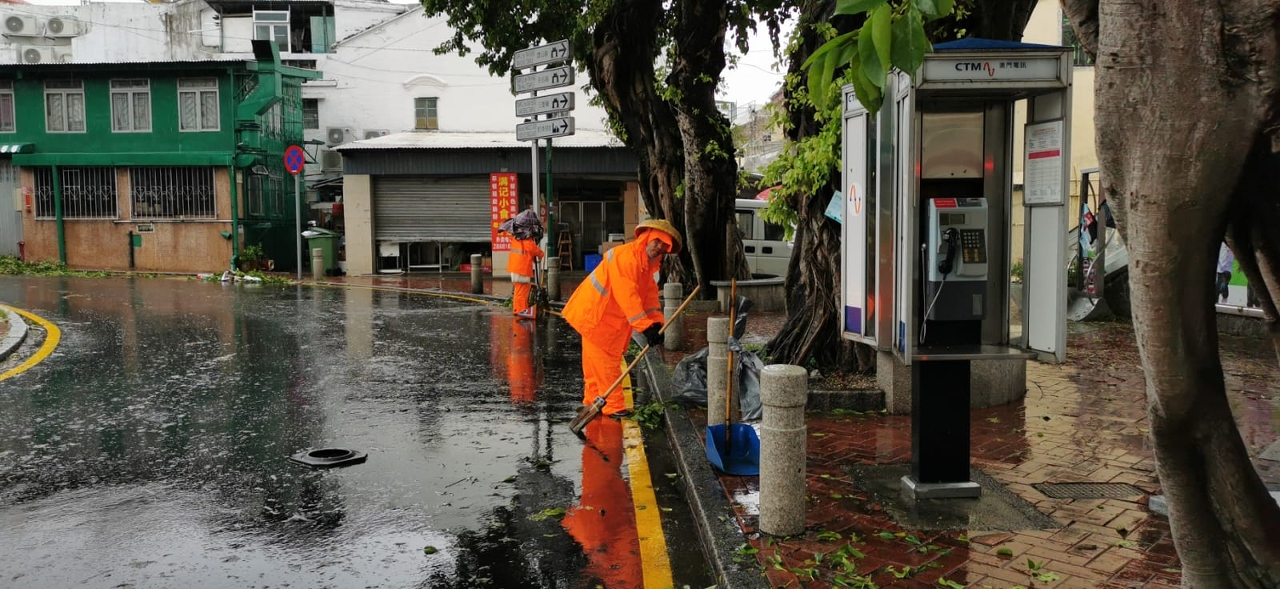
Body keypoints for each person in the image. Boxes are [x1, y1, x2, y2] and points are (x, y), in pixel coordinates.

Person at [561, 219, 682, 418]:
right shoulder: (627, 258)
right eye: (657, 241)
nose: (659, 247)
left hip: (597, 315)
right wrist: (645, 327)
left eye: (664, 245)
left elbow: (650, 298)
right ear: (647, 238)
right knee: (606, 362)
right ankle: (614, 406)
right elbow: (628, 296)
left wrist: (657, 323)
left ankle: (593, 401)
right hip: (598, 316)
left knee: (595, 364)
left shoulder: (646, 267)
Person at [506, 211, 545, 319]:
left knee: (519, 290)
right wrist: (541, 254)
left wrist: (533, 259)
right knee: (522, 292)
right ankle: (521, 311)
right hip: (521, 268)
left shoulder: (516, 236)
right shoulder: (526, 238)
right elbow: (531, 248)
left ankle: (517, 310)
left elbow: (525, 252)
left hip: (515, 267)